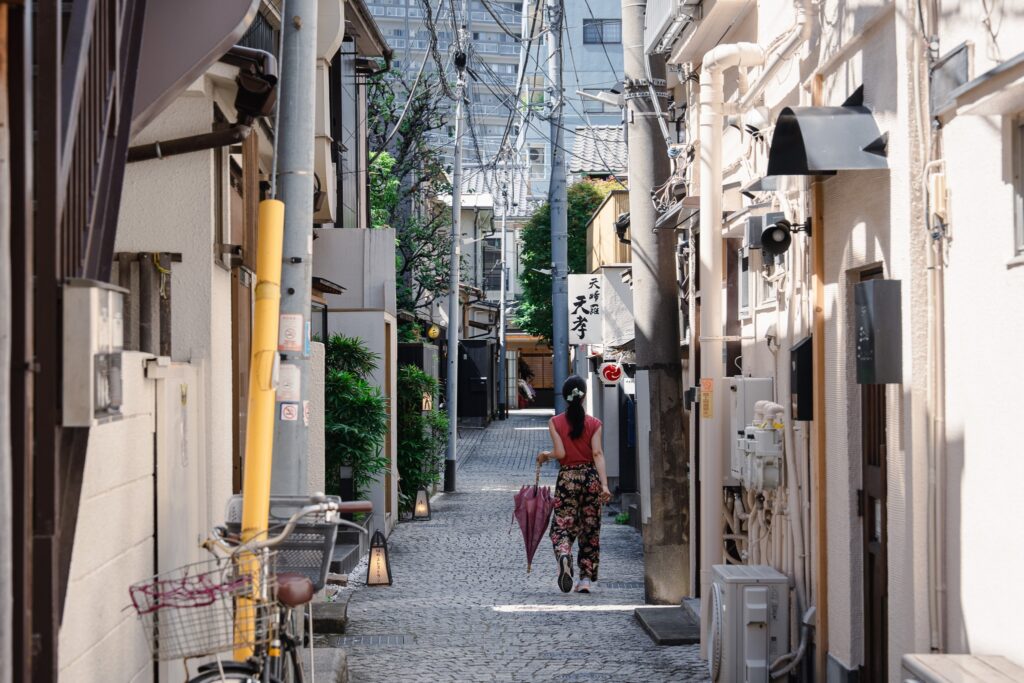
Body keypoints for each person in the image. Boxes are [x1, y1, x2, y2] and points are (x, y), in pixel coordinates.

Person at [536, 375, 611, 593]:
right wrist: (604, 485)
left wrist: (545, 455)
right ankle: (585, 580)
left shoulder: (556, 422)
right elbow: (597, 453)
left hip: (567, 479)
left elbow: (560, 453)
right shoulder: (594, 423)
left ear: (565, 397)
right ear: (584, 395)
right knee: (590, 529)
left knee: (561, 525)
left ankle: (564, 554)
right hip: (590, 479)